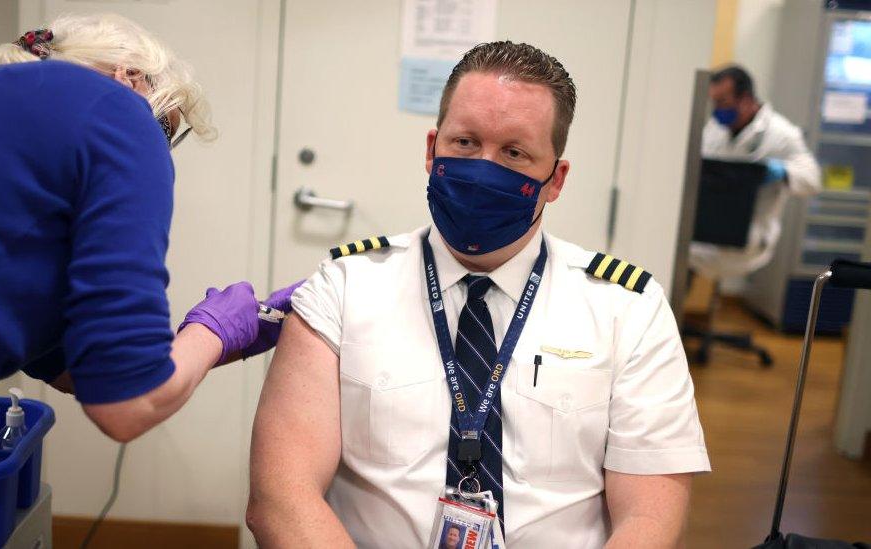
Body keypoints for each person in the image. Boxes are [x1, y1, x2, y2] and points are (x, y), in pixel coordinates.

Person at [247, 41, 710, 548]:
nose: (484, 167)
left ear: (555, 180)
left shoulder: (629, 310)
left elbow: (648, 520)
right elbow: (280, 501)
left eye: (514, 153)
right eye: (465, 142)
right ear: (432, 150)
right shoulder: (342, 288)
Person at [0, 13, 298, 545]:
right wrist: (217, 329)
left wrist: (206, 346)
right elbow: (126, 406)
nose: (157, 150)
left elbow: (76, 373)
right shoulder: (116, 109)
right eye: (164, 131)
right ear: (131, 78)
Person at [691, 65, 821, 277]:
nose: (717, 109)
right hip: (708, 230)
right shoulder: (715, 127)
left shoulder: (781, 133)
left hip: (750, 238)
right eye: (714, 102)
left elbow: (812, 180)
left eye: (723, 102)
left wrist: (781, 171)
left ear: (746, 99)